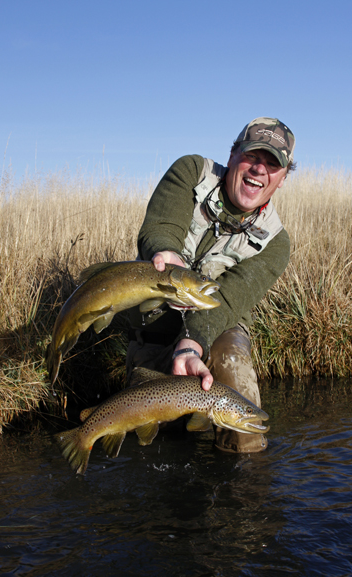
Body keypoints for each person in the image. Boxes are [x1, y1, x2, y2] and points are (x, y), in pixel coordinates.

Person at [126, 117, 296, 453]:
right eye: (252, 156)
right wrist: (166, 253)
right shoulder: (191, 173)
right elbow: (160, 227)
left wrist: (191, 344)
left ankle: (247, 487)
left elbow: (230, 301)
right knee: (152, 446)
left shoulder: (275, 242)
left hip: (220, 330)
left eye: (272, 163)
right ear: (232, 155)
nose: (260, 169)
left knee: (232, 364)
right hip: (155, 329)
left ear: (283, 177)